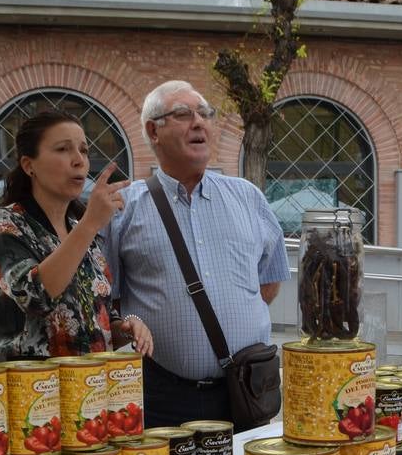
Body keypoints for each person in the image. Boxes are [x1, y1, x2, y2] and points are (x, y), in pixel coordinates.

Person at [103, 81, 288, 427]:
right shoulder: (124, 208)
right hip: (162, 396)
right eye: (183, 114)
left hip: (245, 391)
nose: (199, 122)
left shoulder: (247, 197)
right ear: (152, 131)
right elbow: (105, 300)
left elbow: (269, 282)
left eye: (205, 114)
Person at [0, 110, 153, 360]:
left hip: (92, 386)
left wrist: (127, 329)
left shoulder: (79, 226)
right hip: (37, 389)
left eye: (84, 150)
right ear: (29, 165)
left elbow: (101, 316)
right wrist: (90, 224)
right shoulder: (8, 223)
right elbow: (35, 298)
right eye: (63, 149)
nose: (79, 160)